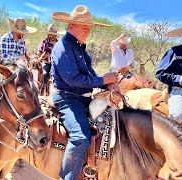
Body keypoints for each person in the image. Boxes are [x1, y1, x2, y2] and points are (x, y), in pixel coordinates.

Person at [51, 5, 120, 179]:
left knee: (115, 120)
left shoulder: (81, 49)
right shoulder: (63, 47)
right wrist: (103, 80)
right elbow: (72, 79)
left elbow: (91, 75)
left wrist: (107, 84)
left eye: (89, 27)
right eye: (84, 27)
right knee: (81, 137)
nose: (88, 31)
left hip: (83, 97)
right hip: (67, 98)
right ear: (71, 26)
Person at [37, 23, 65, 89]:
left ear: (55, 35)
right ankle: (41, 89)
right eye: (49, 34)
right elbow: (39, 54)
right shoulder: (44, 42)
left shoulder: (60, 44)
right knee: (44, 73)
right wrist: (47, 55)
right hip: (46, 62)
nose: (51, 36)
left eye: (52, 34)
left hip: (57, 64)